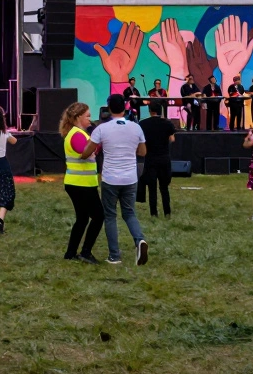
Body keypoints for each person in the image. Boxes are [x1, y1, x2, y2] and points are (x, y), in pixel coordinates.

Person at [80, 94, 148, 267]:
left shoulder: (102, 129)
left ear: (108, 109)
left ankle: (114, 255)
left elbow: (87, 151)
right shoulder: (136, 128)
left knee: (110, 216)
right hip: (130, 178)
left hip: (110, 178)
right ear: (125, 108)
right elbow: (142, 152)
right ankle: (139, 240)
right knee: (129, 213)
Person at [61, 103, 102, 263]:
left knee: (83, 218)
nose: (90, 119)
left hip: (78, 182)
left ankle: (70, 253)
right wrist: (98, 142)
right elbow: (85, 152)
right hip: (81, 184)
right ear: (78, 117)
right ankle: (85, 252)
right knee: (98, 216)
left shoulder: (77, 133)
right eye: (87, 116)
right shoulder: (77, 135)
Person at [138, 103, 175, 218]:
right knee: (164, 187)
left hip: (150, 159)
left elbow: (140, 141)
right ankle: (167, 212)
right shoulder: (168, 123)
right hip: (164, 158)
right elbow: (172, 139)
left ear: (150, 111)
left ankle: (154, 213)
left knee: (152, 188)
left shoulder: (143, 124)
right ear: (161, 111)